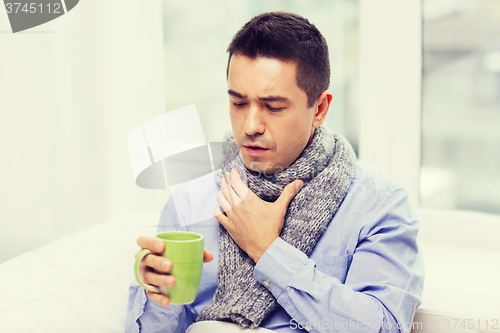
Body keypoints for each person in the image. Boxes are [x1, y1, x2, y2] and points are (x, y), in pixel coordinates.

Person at [126, 11, 424, 333]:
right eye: (239, 103)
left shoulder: (378, 206)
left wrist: (267, 250)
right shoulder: (189, 199)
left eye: (273, 107)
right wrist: (155, 291)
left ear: (320, 109)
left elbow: (383, 328)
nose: (251, 126)